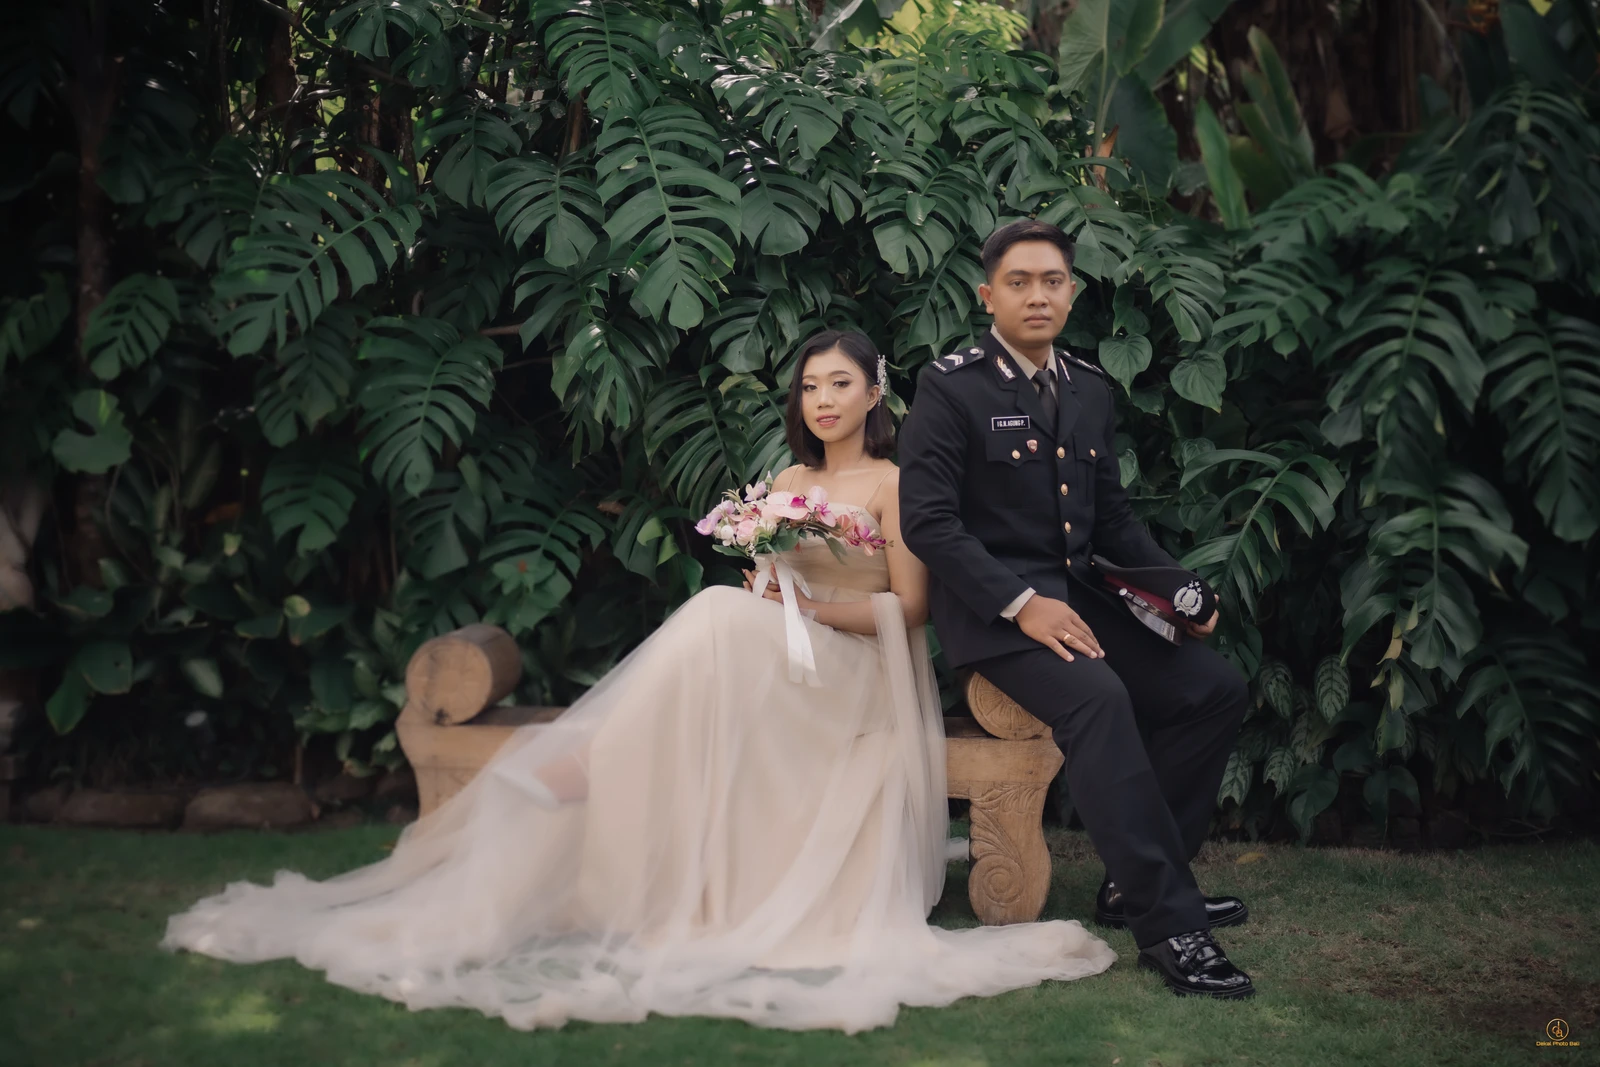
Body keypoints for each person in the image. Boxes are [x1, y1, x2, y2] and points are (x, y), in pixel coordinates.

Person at [160, 329, 1116, 1034]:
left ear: (874, 394)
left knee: (714, 614)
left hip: (853, 667)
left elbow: (909, 608)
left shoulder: (894, 485)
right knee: (724, 610)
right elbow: (768, 585)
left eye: (841, 383)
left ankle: (588, 755)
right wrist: (773, 586)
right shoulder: (786, 479)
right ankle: (613, 771)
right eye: (810, 384)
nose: (823, 399)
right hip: (781, 657)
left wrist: (808, 612)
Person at [897, 220, 1258, 999]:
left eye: (1052, 280)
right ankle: (1170, 923)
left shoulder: (1089, 385)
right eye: (1019, 281)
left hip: (1081, 601)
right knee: (1099, 699)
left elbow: (1114, 520)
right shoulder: (951, 387)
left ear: (1072, 291)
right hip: (998, 616)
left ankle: (1136, 885)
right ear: (988, 295)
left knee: (1213, 689)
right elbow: (928, 522)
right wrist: (1021, 604)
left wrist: (1179, 590)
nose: (1038, 295)